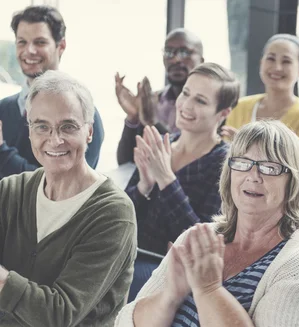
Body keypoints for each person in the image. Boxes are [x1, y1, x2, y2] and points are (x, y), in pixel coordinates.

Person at [115, 120, 299, 327]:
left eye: (269, 167)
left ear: (293, 182)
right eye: (243, 163)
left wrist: (208, 289)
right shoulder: (200, 237)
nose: (253, 176)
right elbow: (125, 321)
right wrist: (170, 296)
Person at [0, 70, 136, 326]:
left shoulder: (113, 213)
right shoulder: (11, 190)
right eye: (42, 126)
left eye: (68, 126)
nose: (55, 139)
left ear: (89, 132)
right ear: (29, 131)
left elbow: (60, 315)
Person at [125, 62, 238, 257]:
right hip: (129, 257)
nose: (186, 105)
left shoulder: (227, 164)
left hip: (171, 275)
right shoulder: (160, 144)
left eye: (200, 101)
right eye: (185, 93)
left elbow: (202, 243)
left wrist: (166, 179)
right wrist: (144, 186)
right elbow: (122, 215)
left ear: (223, 113)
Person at [0, 5, 104, 179]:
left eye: (40, 42)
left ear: (61, 46)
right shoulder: (3, 109)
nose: (29, 51)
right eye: (22, 42)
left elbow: (67, 185)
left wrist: (2, 152)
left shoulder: (83, 114)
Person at [222, 33, 299, 171]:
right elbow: (227, 165)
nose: (277, 67)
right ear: (262, 63)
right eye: (271, 58)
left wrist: (245, 146)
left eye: (286, 61)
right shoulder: (240, 107)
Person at [115, 28, 204, 165]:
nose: (175, 59)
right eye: (169, 52)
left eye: (184, 52)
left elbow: (187, 161)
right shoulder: (154, 101)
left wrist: (152, 122)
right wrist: (133, 118)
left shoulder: (210, 106)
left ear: (201, 61)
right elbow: (125, 163)